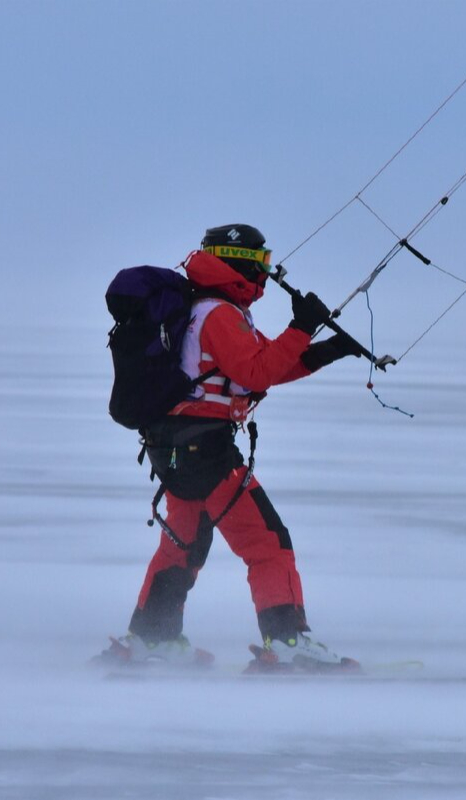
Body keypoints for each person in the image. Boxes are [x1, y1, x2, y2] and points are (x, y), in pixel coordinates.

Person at [102, 224, 360, 670]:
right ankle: (287, 644)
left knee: (182, 547)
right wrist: (301, 326)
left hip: (176, 449)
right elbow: (257, 374)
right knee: (267, 542)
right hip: (206, 451)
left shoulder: (206, 310)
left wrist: (327, 349)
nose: (264, 272)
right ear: (236, 261)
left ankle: (151, 639)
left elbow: (264, 367)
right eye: (259, 262)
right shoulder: (219, 314)